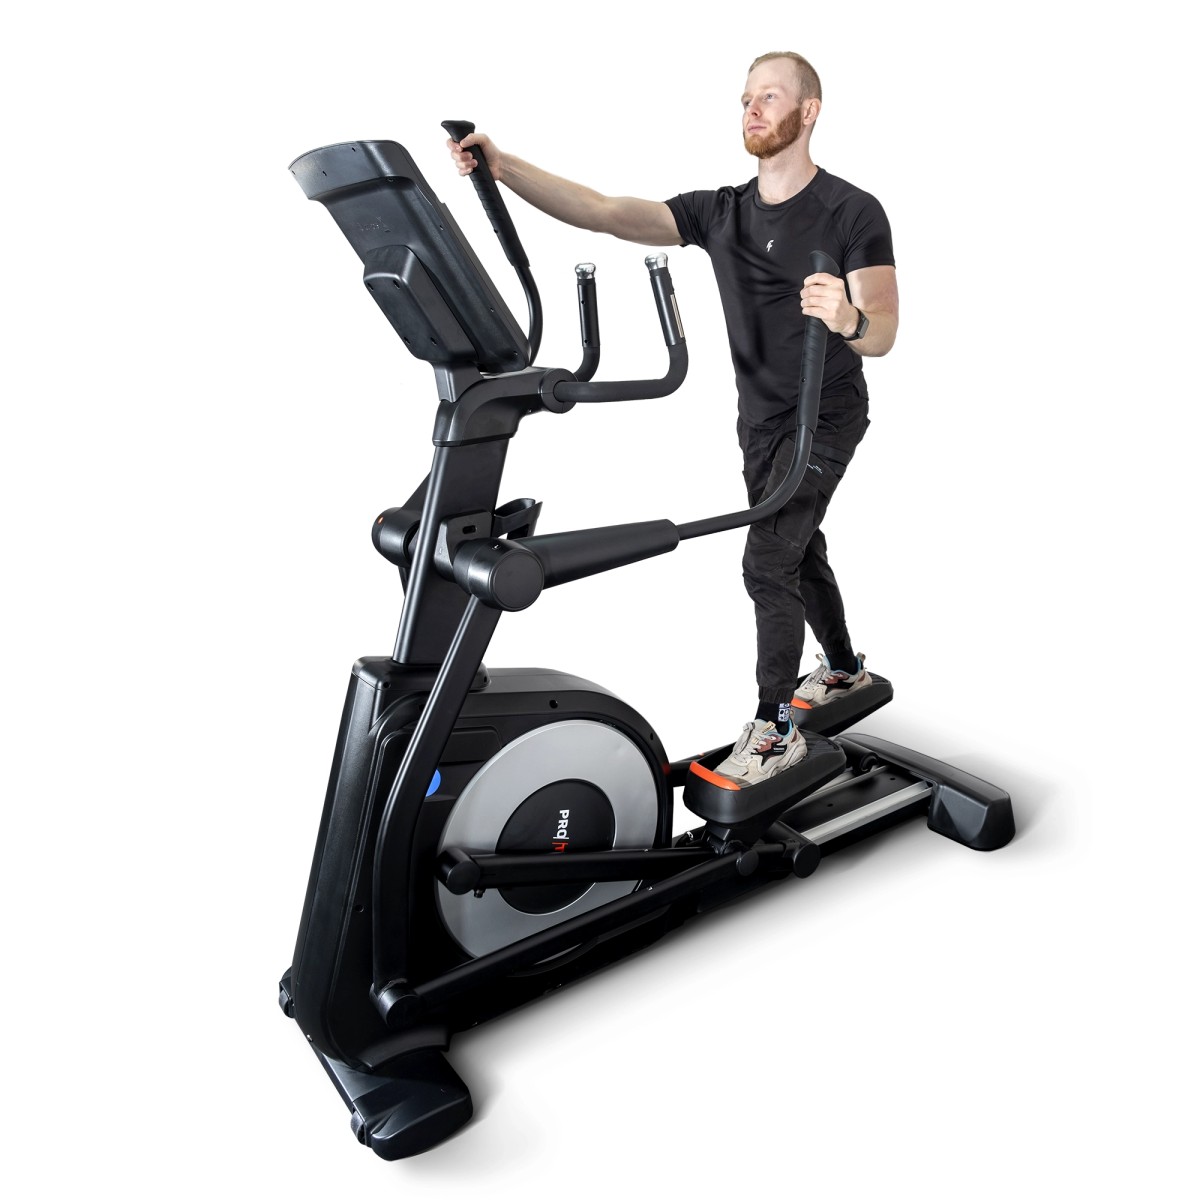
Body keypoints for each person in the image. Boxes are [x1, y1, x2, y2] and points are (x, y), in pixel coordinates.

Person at [448, 51, 899, 785]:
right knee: (796, 546)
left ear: (809, 110)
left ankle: (775, 727)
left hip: (825, 416)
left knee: (767, 560)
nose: (752, 109)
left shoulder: (852, 210)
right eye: (746, 98)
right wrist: (504, 168)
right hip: (759, 420)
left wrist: (848, 317)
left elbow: (883, 330)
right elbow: (603, 211)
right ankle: (844, 670)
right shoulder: (721, 212)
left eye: (769, 96)